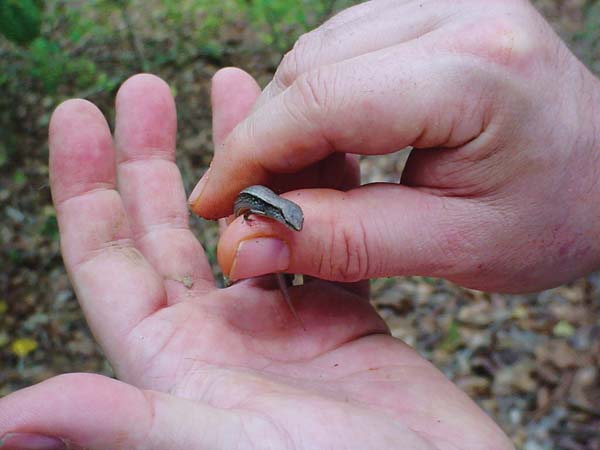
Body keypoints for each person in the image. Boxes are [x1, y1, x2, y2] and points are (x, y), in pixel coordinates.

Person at [0, 0, 597, 448]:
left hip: (265, 208)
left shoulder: (281, 215)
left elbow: (281, 214)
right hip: (255, 204)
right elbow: (257, 207)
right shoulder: (261, 210)